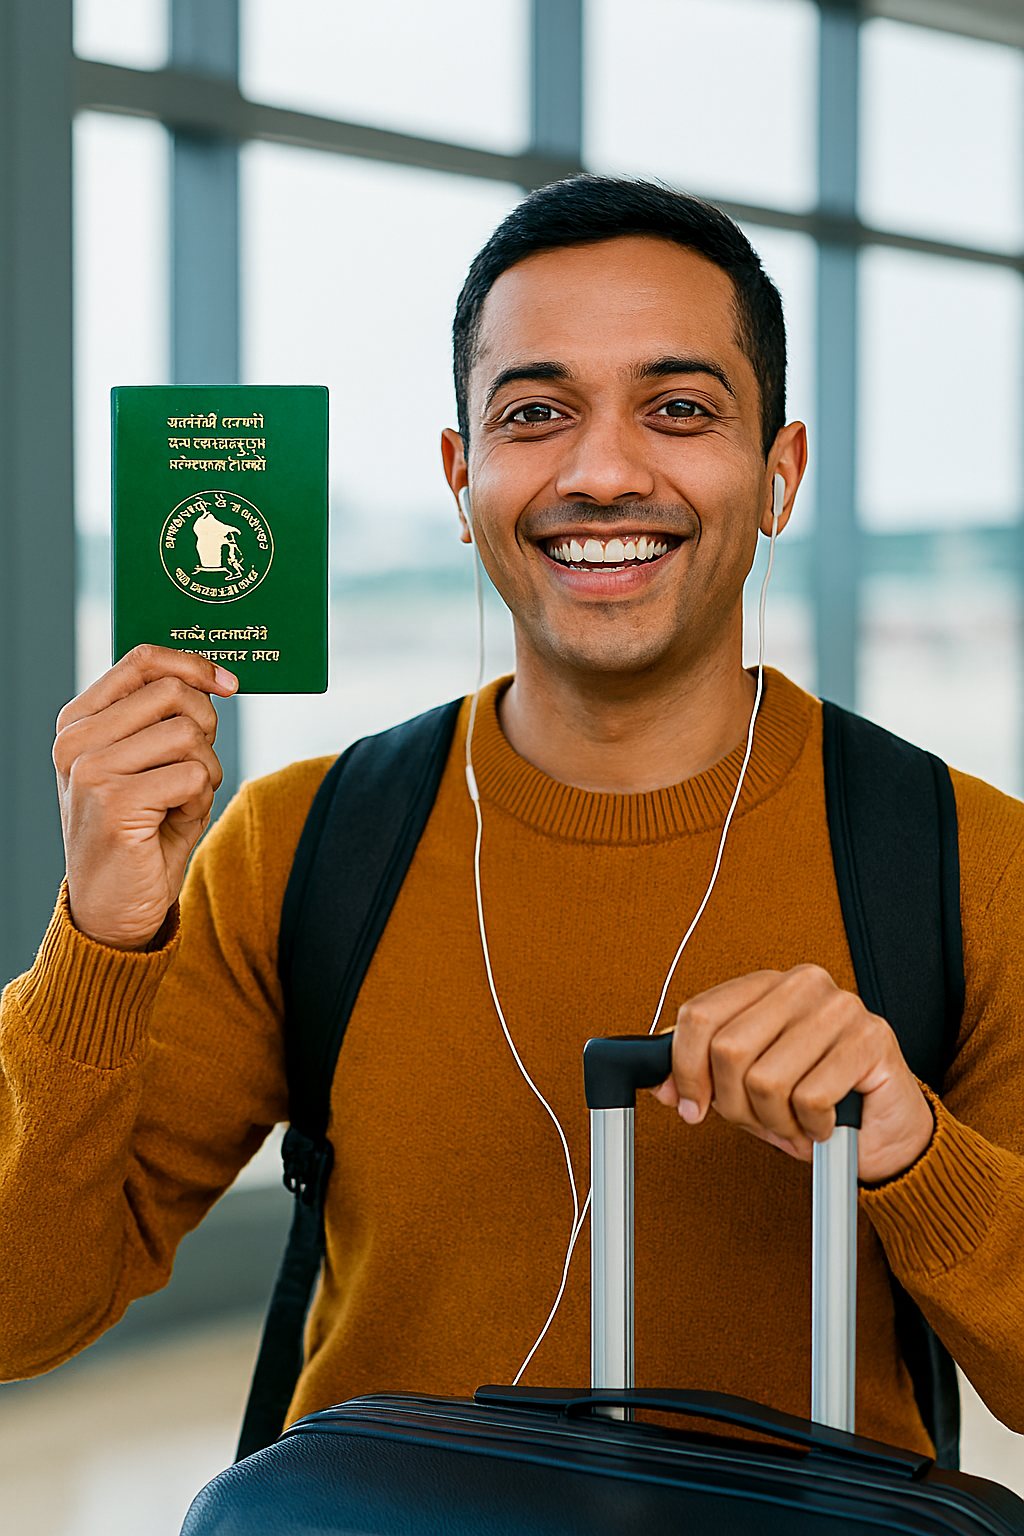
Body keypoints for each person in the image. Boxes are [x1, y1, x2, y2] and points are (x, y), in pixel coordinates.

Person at [1, 177, 1021, 1460]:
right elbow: (20, 1314)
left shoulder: (966, 860)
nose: (602, 473)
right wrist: (101, 939)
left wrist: (912, 1146)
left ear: (779, 474)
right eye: (534, 414)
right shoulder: (294, 845)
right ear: (460, 475)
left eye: (679, 408)